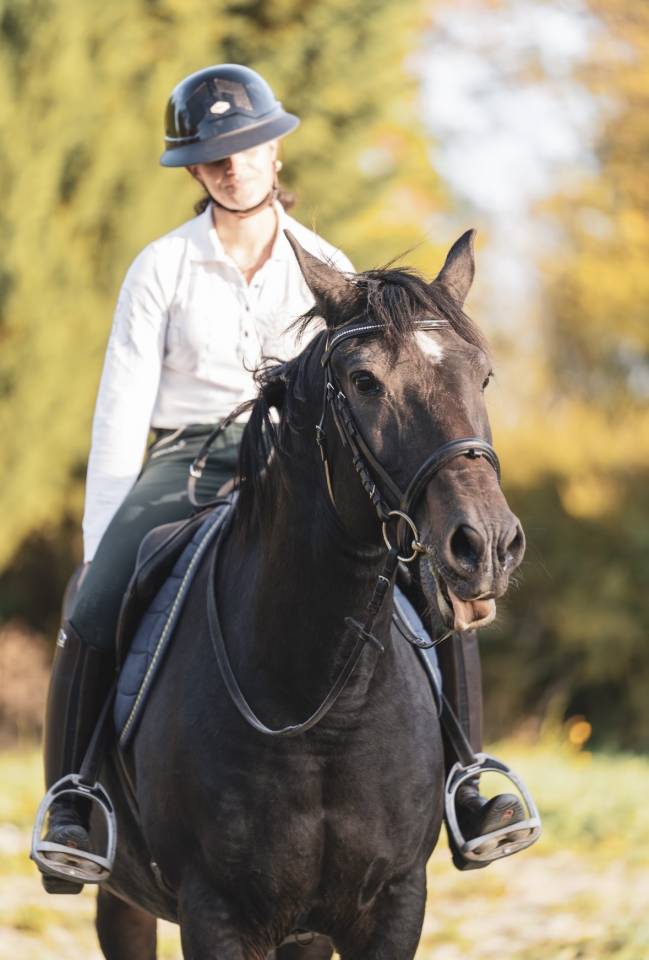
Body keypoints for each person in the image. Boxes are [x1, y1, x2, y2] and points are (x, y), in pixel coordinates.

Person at [35, 63, 531, 891]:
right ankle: (76, 798)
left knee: (429, 582)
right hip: (186, 458)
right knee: (94, 598)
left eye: (248, 149)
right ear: (196, 171)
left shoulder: (329, 266)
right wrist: (101, 538)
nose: (235, 166)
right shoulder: (160, 268)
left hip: (298, 461)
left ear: (276, 154)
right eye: (216, 156)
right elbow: (119, 413)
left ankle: (466, 781)